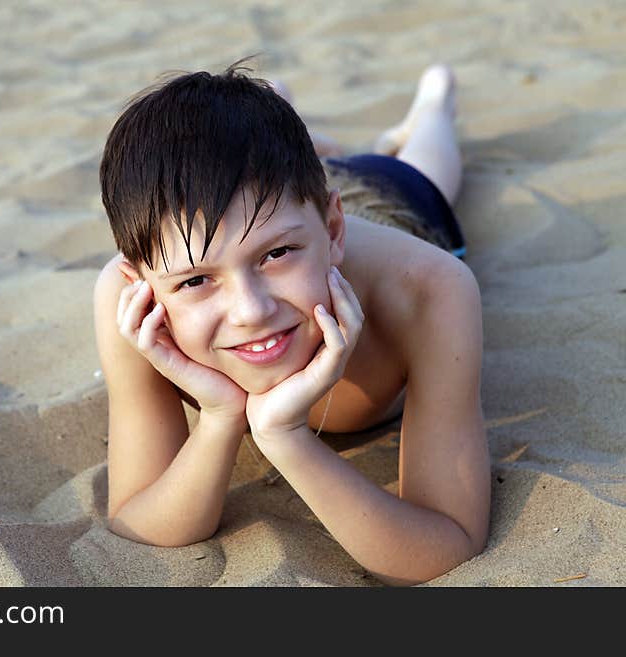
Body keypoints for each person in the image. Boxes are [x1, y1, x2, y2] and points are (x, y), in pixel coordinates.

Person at [93, 58, 490, 586]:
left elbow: (446, 545)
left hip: (392, 204)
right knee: (267, 177)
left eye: (277, 255)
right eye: (195, 282)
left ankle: (434, 104)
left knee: (424, 168)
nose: (251, 310)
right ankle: (282, 117)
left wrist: (285, 437)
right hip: (276, 201)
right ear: (140, 279)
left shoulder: (430, 289)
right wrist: (218, 418)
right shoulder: (134, 305)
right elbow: (139, 519)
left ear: (333, 228)